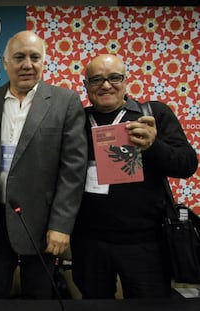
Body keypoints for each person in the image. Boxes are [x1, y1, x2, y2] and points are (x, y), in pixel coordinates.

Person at [71, 54, 198, 299]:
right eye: (96, 79)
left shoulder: (152, 114)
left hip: (145, 244)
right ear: (86, 86)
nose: (106, 85)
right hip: (89, 242)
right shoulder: (76, 120)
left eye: (114, 78)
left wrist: (153, 146)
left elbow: (187, 164)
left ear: (126, 81)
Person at [0, 30, 87, 299]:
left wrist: (60, 225)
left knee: (39, 299)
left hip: (41, 224)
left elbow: (73, 170)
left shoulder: (65, 102)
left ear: (44, 61)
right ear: (5, 62)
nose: (27, 64)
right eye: (19, 57)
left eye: (35, 57)